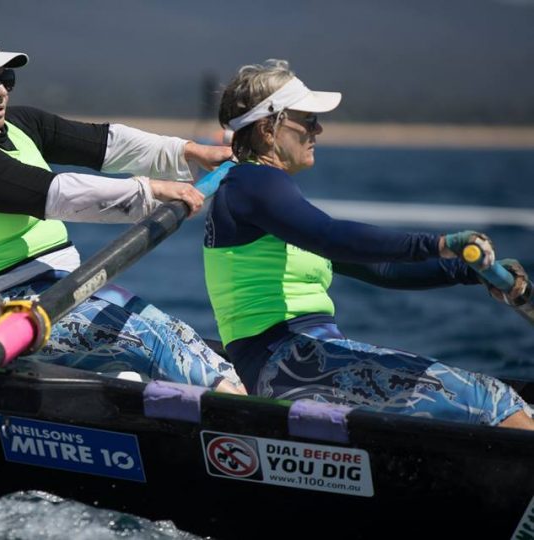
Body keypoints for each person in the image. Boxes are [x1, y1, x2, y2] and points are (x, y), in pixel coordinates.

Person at [202, 59, 534, 428]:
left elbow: (381, 267)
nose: (319, 128)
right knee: (489, 401)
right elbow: (332, 236)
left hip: (308, 356)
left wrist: (468, 271)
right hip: (283, 362)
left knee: (490, 398)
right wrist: (439, 244)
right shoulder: (253, 183)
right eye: (308, 120)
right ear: (267, 129)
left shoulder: (266, 194)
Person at [0, 33, 245, 394]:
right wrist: (154, 190)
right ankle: (241, 429)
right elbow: (55, 193)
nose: (1, 91)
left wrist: (190, 151)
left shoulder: (21, 125)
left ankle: (243, 406)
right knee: (151, 339)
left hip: (58, 286)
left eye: (6, 79)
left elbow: (107, 143)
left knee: (173, 332)